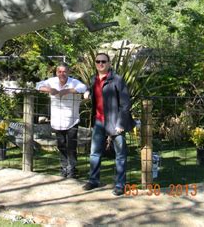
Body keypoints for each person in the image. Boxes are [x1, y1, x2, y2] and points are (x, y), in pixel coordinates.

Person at [82, 52, 135, 196]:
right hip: (99, 121)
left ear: (109, 63)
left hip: (115, 122)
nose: (100, 64)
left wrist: (120, 123)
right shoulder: (94, 79)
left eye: (103, 61)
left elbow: (125, 104)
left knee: (120, 155)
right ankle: (93, 181)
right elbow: (90, 88)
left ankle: (119, 185)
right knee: (94, 153)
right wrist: (87, 91)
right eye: (98, 61)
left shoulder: (117, 80)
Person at [36, 63, 87, 178]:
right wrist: (50, 89)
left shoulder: (74, 82)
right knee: (61, 145)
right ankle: (64, 167)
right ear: (56, 72)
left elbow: (83, 88)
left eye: (64, 72)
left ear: (68, 72)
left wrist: (68, 91)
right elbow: (38, 85)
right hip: (57, 121)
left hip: (72, 121)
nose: (62, 74)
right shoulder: (52, 81)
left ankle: (72, 169)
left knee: (71, 146)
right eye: (59, 71)